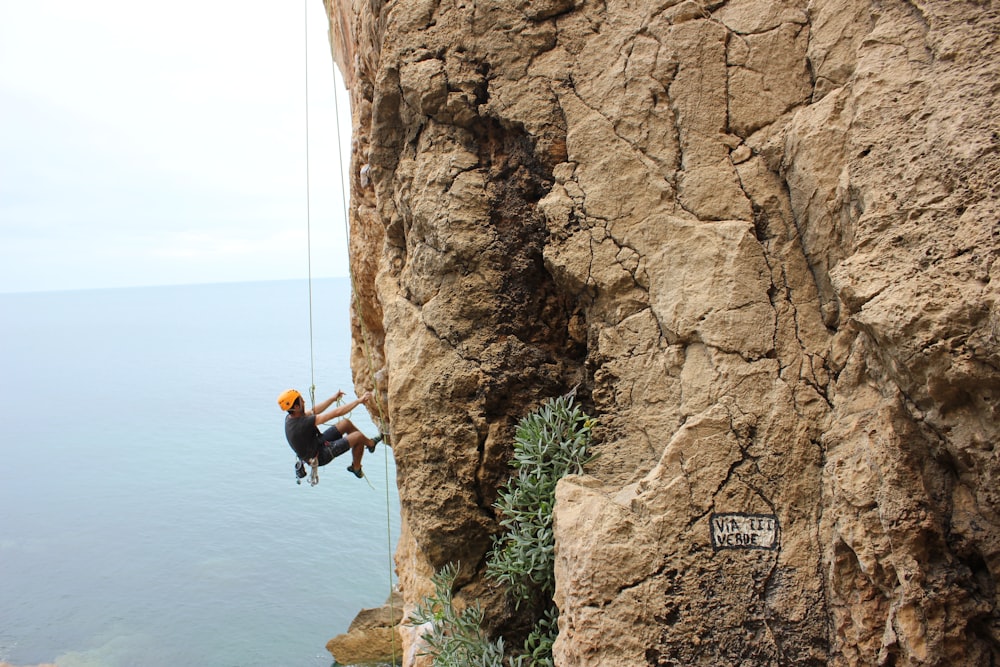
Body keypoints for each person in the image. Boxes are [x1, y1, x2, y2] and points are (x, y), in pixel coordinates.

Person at [278, 388, 382, 479]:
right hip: (319, 456)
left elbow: (314, 411)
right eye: (301, 400)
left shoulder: (291, 417)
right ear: (296, 407)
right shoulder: (301, 424)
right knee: (358, 437)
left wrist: (332, 399)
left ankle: (368, 445)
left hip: (317, 443)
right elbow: (336, 413)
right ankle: (358, 464)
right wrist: (358, 401)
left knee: (345, 423)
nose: (304, 401)